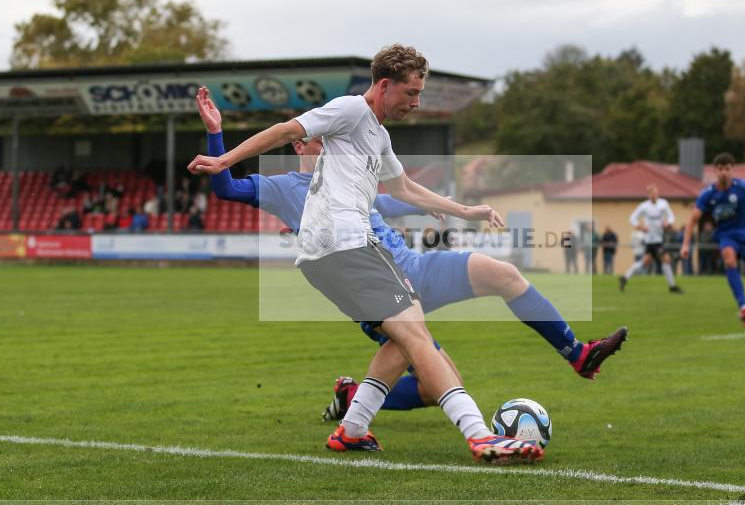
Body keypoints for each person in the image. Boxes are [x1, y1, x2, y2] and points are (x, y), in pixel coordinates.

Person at [189, 45, 546, 464]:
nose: (416, 102)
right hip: (348, 245)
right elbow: (286, 130)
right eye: (411, 93)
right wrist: (224, 158)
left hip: (324, 258)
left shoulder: (378, 135)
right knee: (417, 338)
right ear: (384, 85)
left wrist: (464, 210)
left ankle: (352, 430)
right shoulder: (352, 109)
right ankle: (481, 436)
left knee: (402, 338)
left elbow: (404, 189)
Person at [200, 95, 627, 436]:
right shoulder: (281, 188)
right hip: (372, 281)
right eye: (320, 139)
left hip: (412, 267)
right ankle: (356, 401)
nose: (329, 144)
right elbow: (226, 188)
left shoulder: (351, 179)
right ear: (300, 145)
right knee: (433, 385)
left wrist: (447, 208)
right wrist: (216, 136)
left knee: (504, 274)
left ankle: (578, 354)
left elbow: (394, 198)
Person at [680, 153, 745, 325]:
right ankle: (743, 304)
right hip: (727, 235)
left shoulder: (743, 187)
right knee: (729, 260)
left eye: (727, 169)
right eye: (721, 169)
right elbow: (693, 219)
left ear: (732, 170)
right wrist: (685, 245)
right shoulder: (708, 194)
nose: (724, 172)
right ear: (715, 171)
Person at [620, 184, 683, 294]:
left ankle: (625, 277)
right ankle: (672, 286)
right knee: (666, 259)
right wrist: (640, 226)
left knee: (645, 262)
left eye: (656, 193)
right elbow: (632, 218)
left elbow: (671, 216)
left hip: (659, 238)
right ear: (648, 195)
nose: (654, 195)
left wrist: (668, 223)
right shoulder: (644, 206)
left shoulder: (663, 204)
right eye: (652, 193)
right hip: (651, 240)